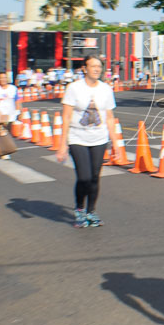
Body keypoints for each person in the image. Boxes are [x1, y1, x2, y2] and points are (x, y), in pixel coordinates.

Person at [56, 55, 117, 228]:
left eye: (99, 66)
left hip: (99, 138)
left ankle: (91, 212)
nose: (97, 69)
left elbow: (110, 118)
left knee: (95, 177)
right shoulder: (74, 88)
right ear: (84, 68)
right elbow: (66, 117)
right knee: (84, 177)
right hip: (77, 138)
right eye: (93, 66)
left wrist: (116, 144)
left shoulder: (106, 89)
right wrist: (62, 145)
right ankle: (80, 209)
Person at [0, 71, 21, 159]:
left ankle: (5, 149)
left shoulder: (13, 88)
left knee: (7, 133)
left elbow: (17, 100)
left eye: (4, 77)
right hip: (1, 114)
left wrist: (19, 111)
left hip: (11, 114)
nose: (2, 79)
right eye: (0, 78)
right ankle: (4, 152)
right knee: (2, 132)